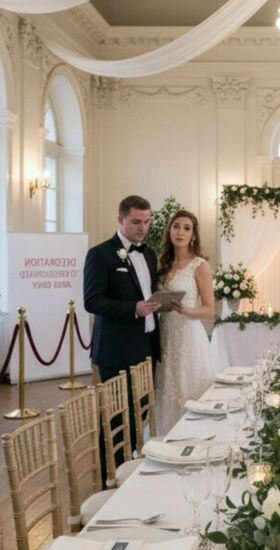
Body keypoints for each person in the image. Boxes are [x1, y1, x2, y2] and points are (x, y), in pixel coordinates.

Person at [83, 195, 162, 486]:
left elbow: (146, 292)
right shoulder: (100, 254)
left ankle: (132, 471)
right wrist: (133, 309)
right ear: (121, 220)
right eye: (136, 222)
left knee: (138, 414)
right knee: (115, 418)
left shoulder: (149, 254)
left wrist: (155, 305)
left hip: (145, 344)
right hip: (115, 350)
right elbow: (92, 301)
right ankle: (111, 478)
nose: (143, 228)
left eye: (147, 222)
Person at [156, 210, 217, 433]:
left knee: (187, 387)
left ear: (193, 235)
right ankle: (168, 435)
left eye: (186, 228)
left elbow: (210, 309)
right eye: (176, 226)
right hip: (165, 334)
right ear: (170, 230)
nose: (180, 232)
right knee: (168, 388)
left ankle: (194, 436)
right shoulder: (163, 263)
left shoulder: (199, 265)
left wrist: (188, 310)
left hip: (189, 336)